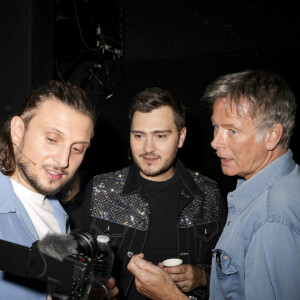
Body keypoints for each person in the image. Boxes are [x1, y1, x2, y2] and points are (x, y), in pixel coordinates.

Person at [127, 69, 300, 300]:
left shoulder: (271, 218)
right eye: (216, 127)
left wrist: (170, 296)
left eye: (232, 130)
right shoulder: (276, 190)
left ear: (272, 135)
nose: (215, 142)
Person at [71, 87, 226, 300]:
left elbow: (229, 271)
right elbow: (70, 260)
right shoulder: (101, 188)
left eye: (160, 135)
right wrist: (91, 286)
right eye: (139, 135)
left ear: (181, 137)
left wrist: (202, 276)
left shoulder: (208, 194)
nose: (148, 148)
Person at [0, 81, 118, 299]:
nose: (64, 161)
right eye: (52, 139)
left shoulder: (59, 213)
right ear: (18, 132)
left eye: (77, 149)